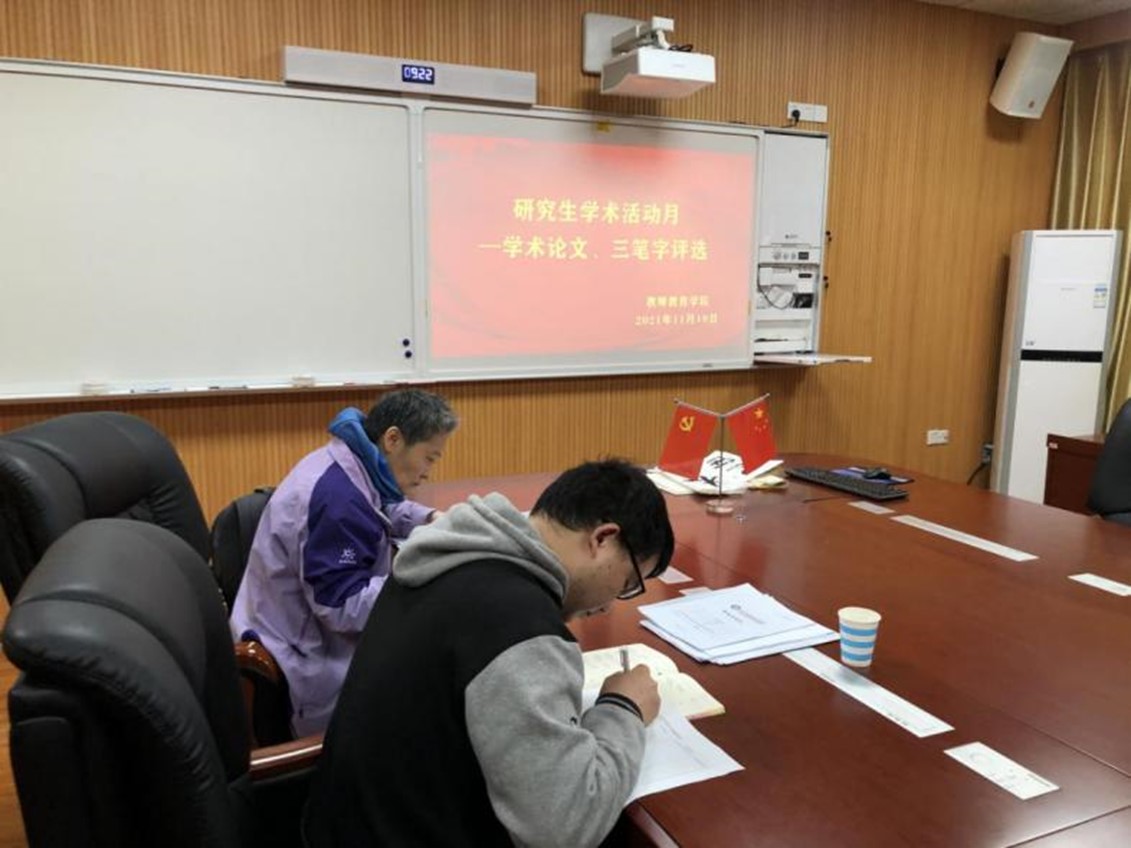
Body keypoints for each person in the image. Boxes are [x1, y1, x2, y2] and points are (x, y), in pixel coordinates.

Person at [303, 458, 675, 848]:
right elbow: (564, 828)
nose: (612, 603)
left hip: (342, 825)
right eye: (628, 582)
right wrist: (623, 709)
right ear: (603, 539)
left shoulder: (451, 555)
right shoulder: (519, 627)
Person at [230, 388, 458, 736]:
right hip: (302, 659)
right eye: (429, 458)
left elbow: (380, 506)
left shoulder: (352, 463)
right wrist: (418, 574)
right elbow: (341, 608)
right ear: (393, 439)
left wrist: (430, 520)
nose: (428, 472)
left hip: (296, 626)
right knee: (434, 693)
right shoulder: (336, 499)